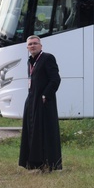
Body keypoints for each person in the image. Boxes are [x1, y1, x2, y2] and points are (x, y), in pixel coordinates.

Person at [19, 35, 62, 172]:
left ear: (41, 46)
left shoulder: (47, 58)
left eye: (35, 43)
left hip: (44, 102)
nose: (33, 46)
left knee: (44, 132)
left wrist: (45, 95)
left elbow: (55, 79)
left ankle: (49, 163)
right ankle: (34, 163)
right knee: (31, 132)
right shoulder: (30, 61)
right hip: (32, 101)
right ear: (27, 47)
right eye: (30, 44)